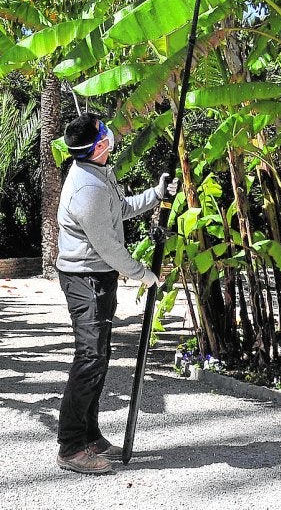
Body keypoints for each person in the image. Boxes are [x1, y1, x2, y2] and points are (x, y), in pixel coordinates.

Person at [56, 112, 173, 475]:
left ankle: (90, 434)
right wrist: (144, 275)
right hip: (85, 279)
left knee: (99, 355)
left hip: (97, 277)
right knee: (89, 358)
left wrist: (156, 194)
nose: (110, 132)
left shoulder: (98, 173)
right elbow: (107, 245)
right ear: (101, 145)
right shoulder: (87, 188)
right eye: (104, 131)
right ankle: (71, 446)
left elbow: (119, 210)